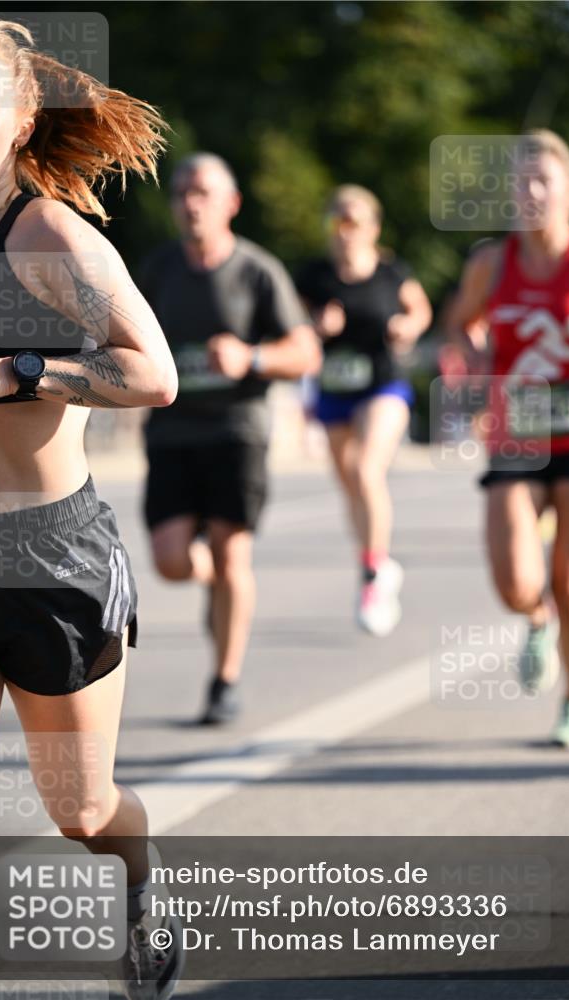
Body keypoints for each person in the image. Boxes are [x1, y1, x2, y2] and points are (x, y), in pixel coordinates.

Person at [0, 17, 182, 998]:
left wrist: (17, 368)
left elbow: (153, 373)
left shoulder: (44, 236)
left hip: (49, 559)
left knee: (82, 812)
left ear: (18, 126)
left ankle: (140, 879)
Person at [446, 129, 569, 751]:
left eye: (543, 180)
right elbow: (461, 325)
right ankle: (535, 618)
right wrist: (472, 362)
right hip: (518, 434)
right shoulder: (492, 263)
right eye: (521, 182)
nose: (531, 192)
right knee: (515, 581)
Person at [139, 153, 320, 724]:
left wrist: (252, 356)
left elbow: (306, 351)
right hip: (171, 431)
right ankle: (213, 578)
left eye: (204, 193)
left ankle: (225, 679)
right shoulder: (157, 269)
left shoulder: (257, 271)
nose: (191, 204)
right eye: (182, 194)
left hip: (236, 431)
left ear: (231, 204)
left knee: (232, 548)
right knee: (170, 562)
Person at [296, 185, 432, 636]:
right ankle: (375, 562)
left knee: (366, 468)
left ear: (372, 229)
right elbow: (292, 328)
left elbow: (421, 310)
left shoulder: (391, 274)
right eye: (338, 220)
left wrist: (405, 327)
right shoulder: (314, 277)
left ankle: (374, 574)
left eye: (354, 221)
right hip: (334, 389)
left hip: (382, 385)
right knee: (350, 483)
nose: (345, 230)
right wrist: (316, 327)